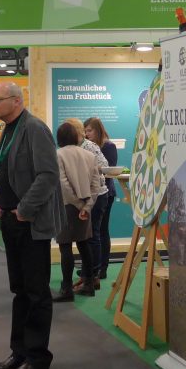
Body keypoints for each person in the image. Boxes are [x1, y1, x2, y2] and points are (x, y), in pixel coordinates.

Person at [0, 82, 62, 369]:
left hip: (30, 223)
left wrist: (25, 209)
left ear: (16, 101)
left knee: (36, 292)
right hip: (10, 220)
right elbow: (4, 172)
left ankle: (37, 357)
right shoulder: (9, 130)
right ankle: (19, 351)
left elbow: (48, 175)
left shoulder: (34, 128)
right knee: (19, 291)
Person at [54, 122, 98, 302]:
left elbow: (63, 184)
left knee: (65, 247)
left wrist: (78, 205)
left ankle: (66, 289)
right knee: (84, 244)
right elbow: (96, 185)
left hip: (66, 206)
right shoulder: (90, 155)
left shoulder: (58, 155)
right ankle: (89, 284)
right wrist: (86, 207)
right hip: (85, 206)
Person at [65, 117, 107, 292]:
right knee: (86, 238)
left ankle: (93, 276)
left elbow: (103, 166)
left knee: (92, 236)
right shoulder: (78, 147)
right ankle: (87, 276)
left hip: (96, 196)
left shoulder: (89, 146)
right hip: (88, 196)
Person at [84, 117, 117, 281]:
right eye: (85, 131)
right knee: (92, 232)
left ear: (98, 130)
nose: (87, 134)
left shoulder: (108, 146)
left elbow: (109, 170)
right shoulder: (88, 146)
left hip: (105, 193)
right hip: (92, 193)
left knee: (102, 231)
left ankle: (102, 268)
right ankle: (91, 267)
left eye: (89, 130)